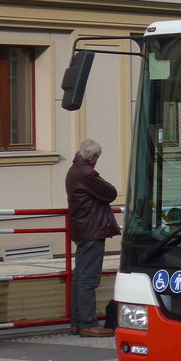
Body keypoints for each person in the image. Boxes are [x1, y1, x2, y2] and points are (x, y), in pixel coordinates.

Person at [66, 139, 121, 336]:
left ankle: (77, 322)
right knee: (88, 278)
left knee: (79, 277)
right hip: (92, 231)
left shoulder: (73, 171)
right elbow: (111, 192)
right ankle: (88, 323)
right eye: (97, 157)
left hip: (82, 231)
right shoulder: (87, 174)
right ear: (93, 157)